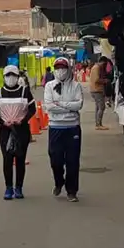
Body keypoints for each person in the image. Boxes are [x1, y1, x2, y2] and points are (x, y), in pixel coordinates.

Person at [0, 65, 36, 200]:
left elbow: (32, 109)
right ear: (4, 77)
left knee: (20, 160)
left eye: (13, 75)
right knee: (7, 159)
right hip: (5, 130)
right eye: (8, 75)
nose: (11, 78)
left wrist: (23, 119)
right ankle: (8, 187)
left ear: (17, 77)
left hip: (21, 129)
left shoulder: (25, 92)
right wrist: (2, 121)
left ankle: (19, 188)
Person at [43, 57, 84, 202]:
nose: (61, 71)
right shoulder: (49, 86)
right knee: (56, 160)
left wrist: (59, 104)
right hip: (55, 127)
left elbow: (78, 105)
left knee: (73, 161)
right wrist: (68, 106)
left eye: (63, 68)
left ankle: (72, 191)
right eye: (58, 68)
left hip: (72, 127)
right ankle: (59, 182)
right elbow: (49, 107)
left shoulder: (76, 86)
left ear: (68, 69)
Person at [88, 57, 110, 130]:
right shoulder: (96, 68)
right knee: (101, 107)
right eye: (104, 64)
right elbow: (96, 80)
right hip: (97, 90)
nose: (104, 65)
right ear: (102, 62)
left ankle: (98, 123)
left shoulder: (96, 67)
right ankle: (98, 124)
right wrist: (105, 81)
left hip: (96, 89)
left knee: (98, 107)